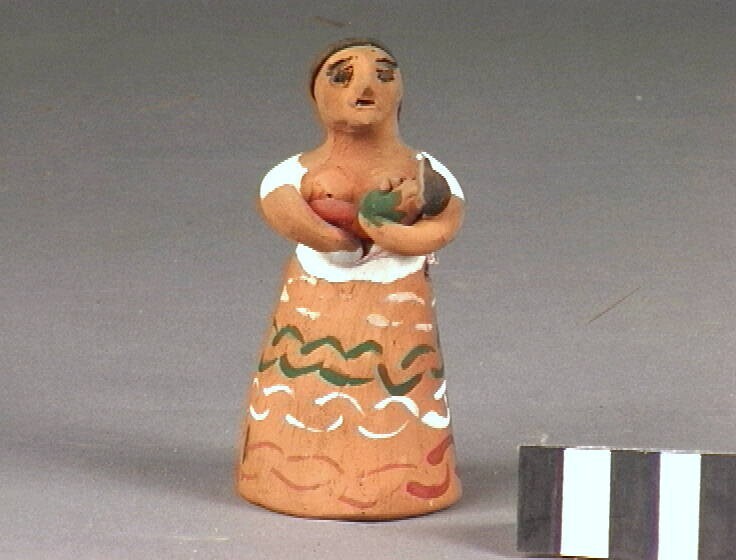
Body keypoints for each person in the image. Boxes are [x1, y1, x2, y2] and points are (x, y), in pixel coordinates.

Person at [236, 38, 465, 519]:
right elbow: (280, 205)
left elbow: (446, 222)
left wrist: (390, 234)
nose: (365, 86)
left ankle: (401, 480)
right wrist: (334, 240)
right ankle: (285, 476)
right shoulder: (296, 171)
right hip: (313, 302)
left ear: (400, 91)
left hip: (398, 305)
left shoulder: (424, 169)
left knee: (398, 385)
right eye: (342, 76)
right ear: (316, 95)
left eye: (384, 74)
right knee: (300, 384)